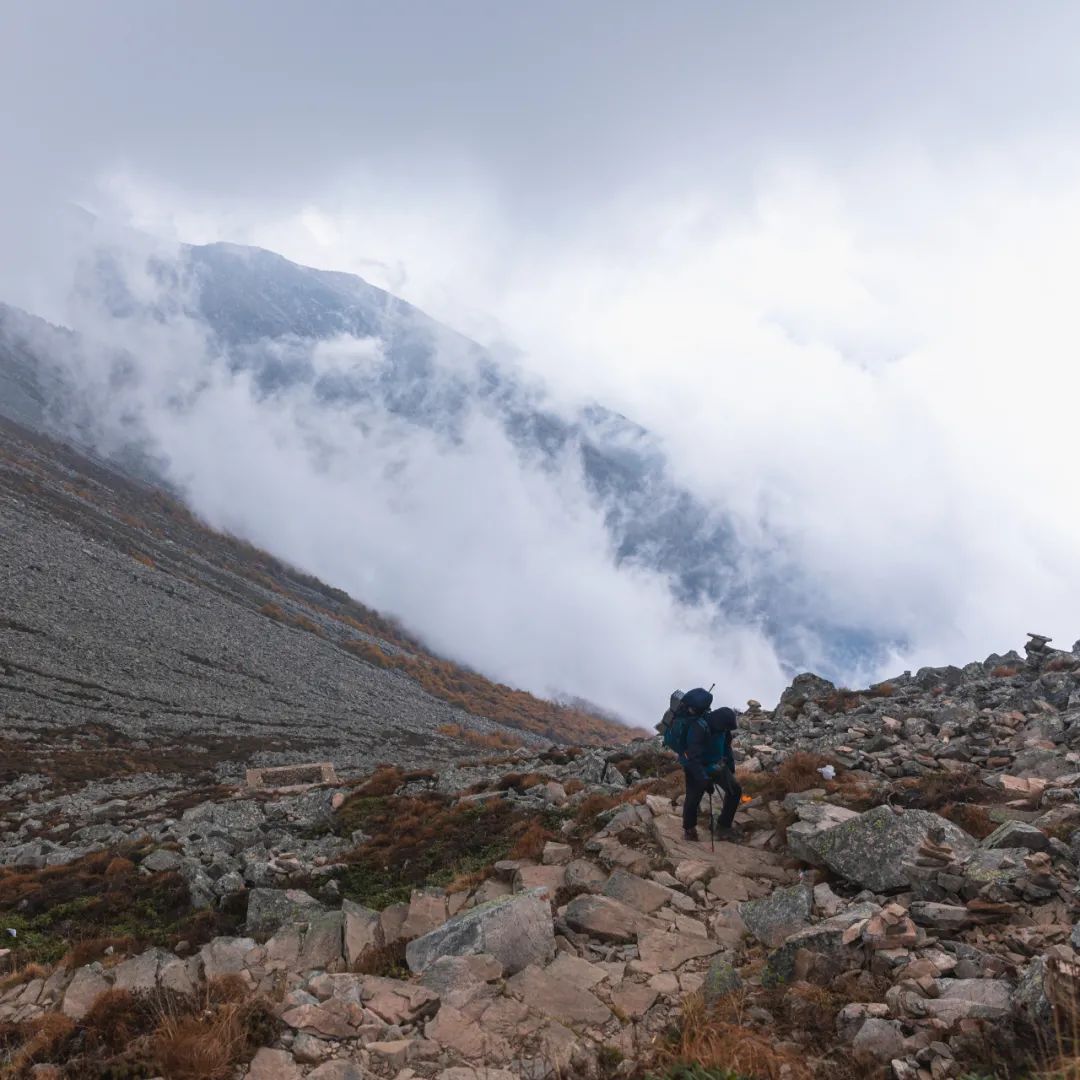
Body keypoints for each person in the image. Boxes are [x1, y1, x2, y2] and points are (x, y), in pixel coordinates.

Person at [678, 690, 742, 842]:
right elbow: (692, 758)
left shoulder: (723, 729)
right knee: (693, 800)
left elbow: (727, 748)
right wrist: (703, 779)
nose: (726, 731)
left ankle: (723, 826)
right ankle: (689, 830)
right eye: (725, 728)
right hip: (695, 768)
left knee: (735, 790)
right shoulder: (699, 728)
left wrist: (730, 767)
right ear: (720, 724)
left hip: (716, 766)